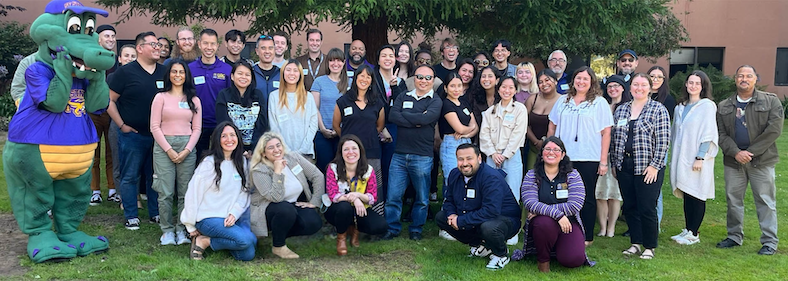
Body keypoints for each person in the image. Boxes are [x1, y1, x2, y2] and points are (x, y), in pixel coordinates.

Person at [715, 65, 783, 255]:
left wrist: (750, 152)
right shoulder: (724, 106)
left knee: (765, 200)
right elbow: (720, 134)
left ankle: (769, 241)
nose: (744, 79)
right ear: (735, 79)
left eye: (748, 76)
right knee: (733, 200)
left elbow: (774, 130)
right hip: (733, 162)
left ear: (756, 79)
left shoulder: (771, 102)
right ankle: (734, 236)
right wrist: (736, 152)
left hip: (761, 161)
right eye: (740, 76)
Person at [547, 66, 613, 245]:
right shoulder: (562, 101)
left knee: (587, 198)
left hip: (588, 157)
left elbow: (606, 133)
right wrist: (551, 150)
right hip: (564, 157)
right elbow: (552, 127)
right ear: (573, 80)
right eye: (578, 78)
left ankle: (586, 236)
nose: (581, 82)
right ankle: (564, 231)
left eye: (585, 79)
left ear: (592, 81)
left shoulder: (599, 103)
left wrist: (603, 161)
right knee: (562, 195)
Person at [108, 31, 163, 229]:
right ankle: (131, 215)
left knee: (154, 176)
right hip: (133, 135)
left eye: (158, 45)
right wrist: (122, 125)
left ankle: (155, 213)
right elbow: (110, 101)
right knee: (130, 175)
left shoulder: (164, 72)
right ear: (140, 48)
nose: (158, 48)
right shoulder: (125, 72)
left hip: (158, 136)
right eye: (153, 45)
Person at [512, 136, 593, 272]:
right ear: (542, 154)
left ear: (562, 155)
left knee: (573, 260)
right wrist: (558, 215)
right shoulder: (531, 175)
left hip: (569, 222)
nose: (551, 152)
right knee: (544, 223)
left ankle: (556, 248)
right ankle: (543, 262)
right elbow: (530, 203)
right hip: (543, 223)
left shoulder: (573, 175)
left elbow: (575, 205)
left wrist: (542, 209)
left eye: (556, 150)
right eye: (547, 149)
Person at [611, 73, 670, 260]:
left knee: (647, 207)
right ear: (630, 88)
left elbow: (663, 142)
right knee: (630, 206)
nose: (639, 88)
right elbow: (614, 139)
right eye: (635, 84)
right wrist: (614, 163)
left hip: (647, 167)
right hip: (624, 165)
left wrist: (655, 166)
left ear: (650, 88)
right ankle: (635, 243)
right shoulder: (621, 110)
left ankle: (649, 246)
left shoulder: (658, 110)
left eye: (644, 85)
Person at [436, 144, 521, 270]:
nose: (465, 163)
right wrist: (452, 215)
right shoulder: (454, 174)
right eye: (461, 159)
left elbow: (491, 211)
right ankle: (481, 246)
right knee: (442, 217)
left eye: (469, 158)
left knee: (489, 227)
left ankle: (501, 254)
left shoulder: (491, 177)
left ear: (479, 158)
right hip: (477, 216)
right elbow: (449, 201)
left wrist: (461, 221)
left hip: (504, 220)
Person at [382, 65, 442, 241]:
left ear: (433, 81)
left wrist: (408, 115)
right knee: (393, 196)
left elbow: (427, 119)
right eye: (420, 77)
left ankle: (416, 229)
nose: (423, 81)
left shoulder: (435, 100)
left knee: (422, 198)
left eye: (427, 78)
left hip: (422, 156)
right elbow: (393, 115)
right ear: (414, 78)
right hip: (399, 155)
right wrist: (418, 119)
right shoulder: (403, 95)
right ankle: (392, 228)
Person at [181, 122, 256, 261]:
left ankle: (217, 240)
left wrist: (235, 212)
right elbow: (193, 193)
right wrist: (189, 224)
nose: (229, 139)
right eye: (224, 136)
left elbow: (244, 193)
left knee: (248, 253)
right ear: (217, 140)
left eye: (232, 135)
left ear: (238, 138)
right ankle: (203, 241)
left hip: (230, 218)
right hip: (208, 218)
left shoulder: (242, 162)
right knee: (245, 240)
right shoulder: (209, 163)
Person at [150, 60, 202, 246]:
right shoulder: (160, 97)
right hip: (165, 146)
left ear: (187, 75)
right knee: (165, 192)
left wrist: (187, 149)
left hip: (187, 146)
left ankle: (181, 228)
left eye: (181, 71)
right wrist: (169, 150)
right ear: (169, 74)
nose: (178, 75)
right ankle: (167, 230)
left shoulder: (194, 100)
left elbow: (197, 129)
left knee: (185, 192)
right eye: (174, 71)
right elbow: (154, 127)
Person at [249, 132, 324, 259]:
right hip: (266, 208)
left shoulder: (293, 158)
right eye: (270, 147)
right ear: (263, 153)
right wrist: (278, 171)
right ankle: (279, 246)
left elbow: (318, 176)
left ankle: (278, 235)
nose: (276, 150)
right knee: (285, 209)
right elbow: (275, 197)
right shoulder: (259, 169)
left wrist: (314, 201)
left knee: (314, 222)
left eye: (278, 145)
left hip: (291, 206)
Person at [670, 70, 718, 245]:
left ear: (703, 86)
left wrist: (700, 156)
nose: (693, 86)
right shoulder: (680, 107)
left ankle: (694, 233)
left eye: (697, 83)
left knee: (697, 193)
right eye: (690, 82)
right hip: (681, 156)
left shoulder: (707, 106)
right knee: (687, 192)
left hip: (697, 157)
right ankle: (688, 229)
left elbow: (709, 132)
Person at [479, 76, 527, 245]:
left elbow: (518, 135)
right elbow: (484, 136)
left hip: (512, 157)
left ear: (515, 90)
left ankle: (511, 232)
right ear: (498, 89)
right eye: (503, 87)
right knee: (492, 194)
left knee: (512, 194)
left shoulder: (520, 110)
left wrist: (505, 154)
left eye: (510, 88)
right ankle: (493, 229)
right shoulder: (490, 112)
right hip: (492, 158)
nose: (507, 91)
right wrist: (493, 153)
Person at [324, 135, 388, 255]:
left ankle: (355, 230)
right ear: (341, 152)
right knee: (344, 207)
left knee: (380, 225)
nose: (351, 152)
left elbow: (372, 197)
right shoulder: (333, 168)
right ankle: (341, 238)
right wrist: (355, 199)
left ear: (360, 151)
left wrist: (357, 196)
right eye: (346, 149)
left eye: (354, 148)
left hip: (360, 209)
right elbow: (333, 195)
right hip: (338, 209)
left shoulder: (368, 170)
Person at [332, 65, 386, 202]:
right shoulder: (343, 101)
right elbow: (336, 125)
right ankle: (349, 217)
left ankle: (373, 217)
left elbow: (380, 126)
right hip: (349, 153)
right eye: (361, 75)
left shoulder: (377, 103)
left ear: (371, 81)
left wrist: (368, 135)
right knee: (348, 185)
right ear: (355, 78)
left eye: (368, 76)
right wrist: (347, 140)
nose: (364, 79)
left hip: (371, 150)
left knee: (372, 187)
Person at [188, 29, 232, 161]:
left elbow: (230, 97)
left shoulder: (227, 70)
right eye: (205, 43)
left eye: (212, 44)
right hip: (195, 125)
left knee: (219, 161)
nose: (209, 47)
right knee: (197, 162)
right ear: (199, 44)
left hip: (219, 124)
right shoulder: (190, 69)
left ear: (217, 46)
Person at [595, 75, 630, 238]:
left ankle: (612, 228)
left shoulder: (628, 107)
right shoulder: (601, 105)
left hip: (619, 156)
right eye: (609, 86)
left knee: (615, 194)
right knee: (600, 193)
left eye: (616, 86)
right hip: (601, 154)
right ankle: (602, 227)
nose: (613, 89)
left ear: (623, 88)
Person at [88, 24, 117, 206]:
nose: (111, 39)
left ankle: (113, 189)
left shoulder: (116, 61)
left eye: (113, 36)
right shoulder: (90, 59)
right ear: (98, 38)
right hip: (92, 112)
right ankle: (95, 190)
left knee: (112, 152)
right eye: (107, 36)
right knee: (93, 153)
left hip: (112, 113)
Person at [268, 59, 318, 160]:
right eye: (288, 70)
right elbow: (274, 127)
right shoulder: (274, 96)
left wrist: (302, 150)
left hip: (305, 154)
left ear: (300, 74)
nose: (292, 73)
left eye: (295, 70)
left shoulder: (308, 97)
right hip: (282, 154)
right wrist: (286, 150)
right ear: (283, 72)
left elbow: (313, 125)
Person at [215, 61, 269, 153]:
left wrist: (254, 149)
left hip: (256, 149)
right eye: (240, 74)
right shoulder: (224, 95)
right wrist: (240, 150)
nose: (243, 77)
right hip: (231, 148)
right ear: (232, 76)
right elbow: (223, 123)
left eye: (247, 74)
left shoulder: (258, 95)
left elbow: (262, 124)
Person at [646, 65, 675, 230]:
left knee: (654, 189)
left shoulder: (668, 100)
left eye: (659, 77)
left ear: (664, 81)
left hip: (657, 150)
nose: (655, 79)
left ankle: (654, 224)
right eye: (652, 76)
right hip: (639, 150)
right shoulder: (637, 97)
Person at [524, 69, 561, 171]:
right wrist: (536, 142)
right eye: (540, 82)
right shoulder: (532, 99)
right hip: (533, 147)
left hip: (554, 149)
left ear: (555, 81)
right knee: (531, 176)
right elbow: (523, 123)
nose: (544, 84)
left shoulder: (562, 101)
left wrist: (546, 143)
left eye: (547, 80)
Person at [252, 35, 281, 108]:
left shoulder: (282, 74)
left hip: (277, 118)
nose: (267, 51)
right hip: (256, 118)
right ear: (257, 51)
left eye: (270, 48)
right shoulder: (250, 73)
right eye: (263, 48)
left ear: (274, 50)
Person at [471, 66, 502, 132]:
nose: (486, 79)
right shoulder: (476, 98)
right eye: (483, 76)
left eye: (490, 76)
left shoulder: (503, 97)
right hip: (482, 137)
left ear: (497, 80)